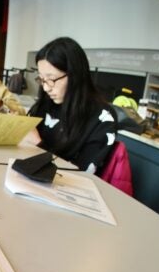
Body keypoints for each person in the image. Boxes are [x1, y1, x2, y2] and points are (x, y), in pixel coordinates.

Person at [28, 37, 116, 174]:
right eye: (42, 79)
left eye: (51, 79)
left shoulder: (102, 118)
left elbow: (82, 175)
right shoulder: (45, 104)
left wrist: (37, 144)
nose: (46, 88)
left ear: (75, 75)